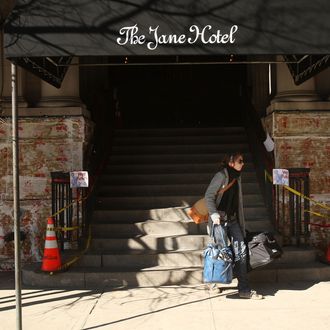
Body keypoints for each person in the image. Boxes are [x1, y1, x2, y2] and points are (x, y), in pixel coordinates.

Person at [204, 152, 263, 299]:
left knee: (241, 252)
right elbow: (209, 195)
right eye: (240, 161)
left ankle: (244, 289)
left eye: (243, 161)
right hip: (219, 220)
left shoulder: (237, 177)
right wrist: (213, 213)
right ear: (231, 163)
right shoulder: (221, 176)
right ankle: (212, 283)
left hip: (233, 220)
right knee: (218, 252)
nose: (243, 163)